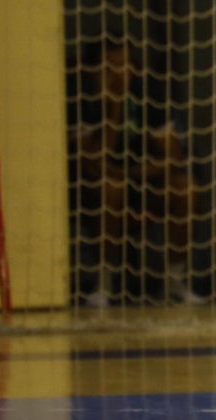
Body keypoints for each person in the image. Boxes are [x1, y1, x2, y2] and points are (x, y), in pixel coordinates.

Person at [71, 34, 202, 306]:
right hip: (89, 193)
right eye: (110, 67)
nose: (120, 75)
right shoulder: (79, 97)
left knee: (185, 188)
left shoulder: (148, 94)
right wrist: (115, 107)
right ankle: (104, 282)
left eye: (125, 65)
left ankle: (174, 282)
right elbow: (94, 164)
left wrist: (128, 174)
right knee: (110, 187)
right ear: (91, 68)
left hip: (139, 182)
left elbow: (173, 158)